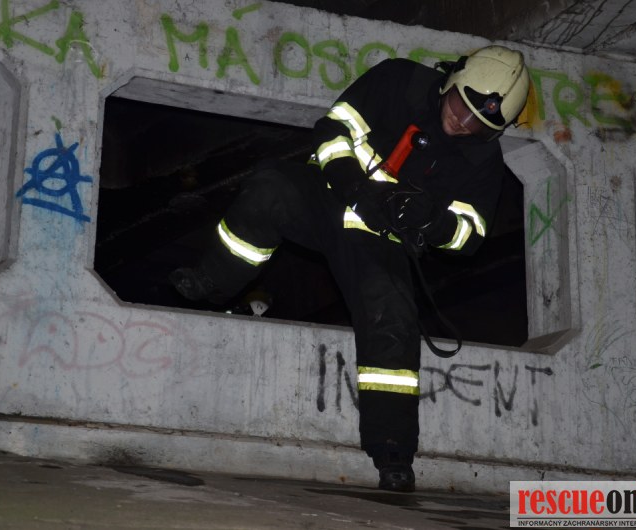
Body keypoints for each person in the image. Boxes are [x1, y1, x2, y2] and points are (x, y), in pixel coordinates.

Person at [170, 45, 530, 492]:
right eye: (460, 105)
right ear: (450, 81)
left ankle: (393, 451)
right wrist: (354, 186)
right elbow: (334, 130)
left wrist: (433, 221)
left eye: (478, 123)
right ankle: (212, 283)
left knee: (392, 322)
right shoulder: (399, 81)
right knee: (269, 188)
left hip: (381, 242)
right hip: (330, 197)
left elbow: (469, 236)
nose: (461, 122)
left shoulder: (483, 162)